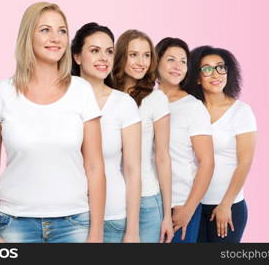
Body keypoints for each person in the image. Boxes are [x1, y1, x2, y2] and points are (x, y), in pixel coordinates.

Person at [0, 2, 106, 243]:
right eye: (45, 30)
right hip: (14, 224)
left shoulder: (82, 91)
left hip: (74, 224)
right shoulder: (0, 93)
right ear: (29, 36)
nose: (55, 38)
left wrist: (96, 233)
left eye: (62, 31)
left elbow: (95, 167)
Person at [71, 22, 141, 242]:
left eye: (109, 51)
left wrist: (132, 230)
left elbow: (132, 171)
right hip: (65, 218)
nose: (103, 58)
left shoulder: (124, 104)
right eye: (94, 51)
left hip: (112, 217)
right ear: (77, 57)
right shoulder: (62, 99)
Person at [184, 45, 257, 243]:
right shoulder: (191, 110)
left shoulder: (241, 111)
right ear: (197, 77)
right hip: (193, 207)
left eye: (220, 67)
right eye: (206, 68)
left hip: (227, 207)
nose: (215, 74)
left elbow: (245, 162)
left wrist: (226, 204)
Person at [109, 29, 174, 243]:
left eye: (147, 55)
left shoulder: (156, 99)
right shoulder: (106, 95)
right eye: (133, 54)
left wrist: (166, 215)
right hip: (109, 201)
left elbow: (162, 157)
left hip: (146, 201)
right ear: (121, 56)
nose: (141, 62)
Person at [155, 37, 215, 243]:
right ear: (157, 61)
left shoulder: (193, 108)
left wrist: (189, 209)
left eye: (183, 61)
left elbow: (207, 162)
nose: (177, 66)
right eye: (171, 59)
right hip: (148, 204)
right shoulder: (143, 102)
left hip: (179, 205)